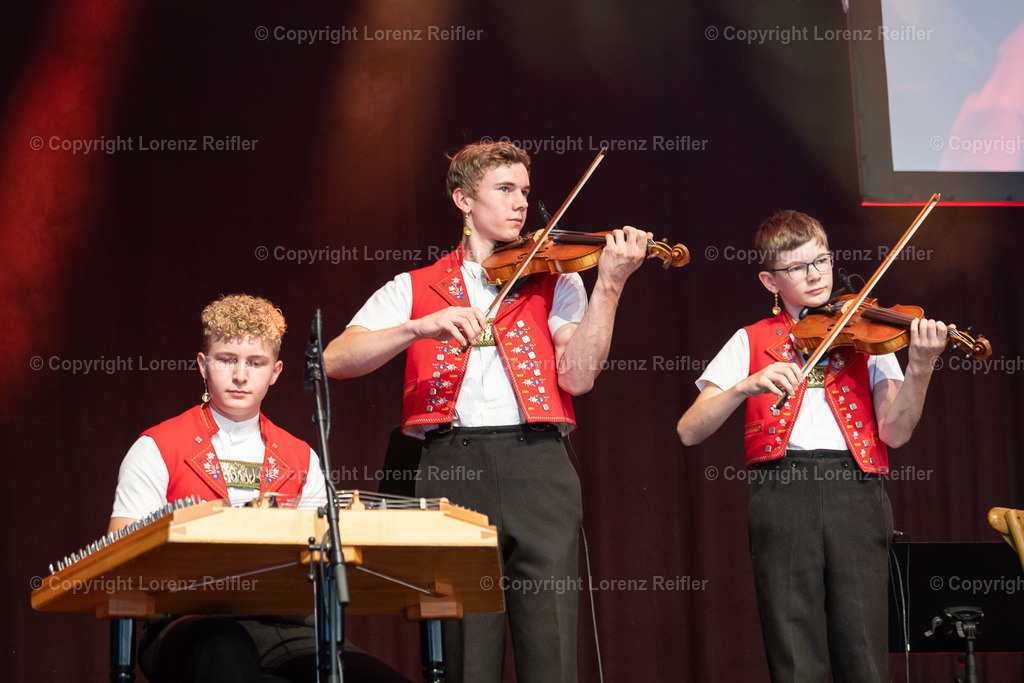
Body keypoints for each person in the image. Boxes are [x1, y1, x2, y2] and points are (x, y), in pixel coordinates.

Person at [323, 140, 649, 682]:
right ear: (463, 199)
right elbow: (336, 359)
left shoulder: (556, 277)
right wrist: (415, 327)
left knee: (551, 648)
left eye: (524, 191)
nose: (521, 203)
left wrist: (609, 285)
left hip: (537, 464)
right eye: (504, 189)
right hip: (450, 467)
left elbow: (579, 376)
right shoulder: (414, 285)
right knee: (466, 656)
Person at [676, 211, 948, 682]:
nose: (817, 273)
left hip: (855, 491)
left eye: (822, 259)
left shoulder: (869, 339)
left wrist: (921, 366)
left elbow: (896, 433)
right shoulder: (751, 339)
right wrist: (745, 386)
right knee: (794, 649)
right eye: (799, 267)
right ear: (769, 280)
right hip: (783, 494)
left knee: (862, 644)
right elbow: (689, 430)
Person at [108, 294, 404, 683]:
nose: (241, 376)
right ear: (203, 364)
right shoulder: (158, 447)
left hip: (284, 622)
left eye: (256, 363)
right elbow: (119, 552)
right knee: (227, 653)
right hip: (186, 621)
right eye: (227, 359)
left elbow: (322, 554)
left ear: (276, 371)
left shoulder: (301, 456)